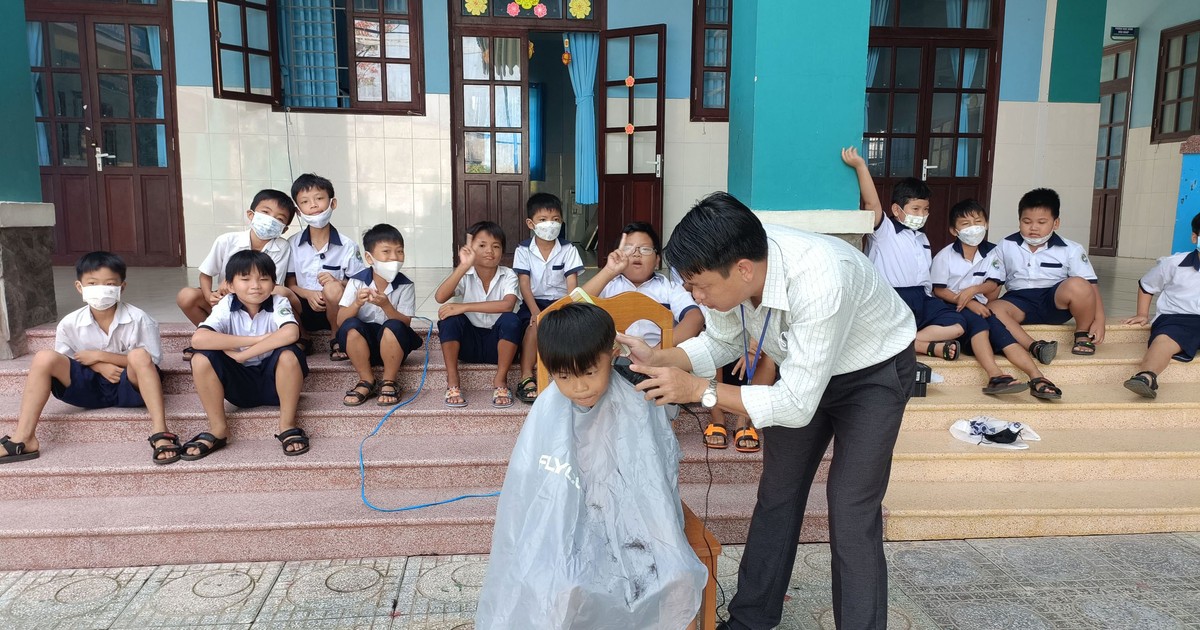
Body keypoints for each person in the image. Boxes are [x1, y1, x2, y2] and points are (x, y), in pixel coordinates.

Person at [622, 191, 916, 630]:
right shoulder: (734, 265)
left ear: (742, 270)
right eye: (689, 286)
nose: (697, 298)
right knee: (778, 494)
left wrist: (701, 390)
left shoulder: (820, 278)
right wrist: (664, 359)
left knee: (851, 511)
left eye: (701, 286)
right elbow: (720, 341)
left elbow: (796, 405)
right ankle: (749, 621)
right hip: (803, 369)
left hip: (872, 374)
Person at [476, 303, 706, 630]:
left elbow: (653, 471)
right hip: (570, 516)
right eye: (565, 376)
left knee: (675, 575)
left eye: (588, 372)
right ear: (549, 368)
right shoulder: (549, 407)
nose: (579, 387)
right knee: (562, 584)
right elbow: (536, 481)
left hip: (635, 515)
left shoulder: (635, 393)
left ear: (611, 354)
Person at [0, 252, 176, 465]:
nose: (101, 290)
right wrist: (100, 366)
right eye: (92, 283)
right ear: (79, 287)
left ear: (122, 287)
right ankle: (24, 437)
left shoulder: (140, 319)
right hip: (89, 389)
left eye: (109, 283)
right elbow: (65, 360)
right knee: (44, 357)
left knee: (140, 355)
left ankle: (160, 432)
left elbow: (152, 361)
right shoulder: (69, 323)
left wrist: (101, 356)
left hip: (130, 386)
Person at [842, 148, 967, 362]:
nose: (922, 215)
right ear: (897, 209)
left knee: (957, 326)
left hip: (922, 298)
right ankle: (926, 347)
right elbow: (872, 204)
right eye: (915, 209)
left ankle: (911, 344)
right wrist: (861, 166)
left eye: (925, 209)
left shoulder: (922, 239)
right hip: (893, 296)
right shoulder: (885, 231)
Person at [930, 199, 1062, 398]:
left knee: (1002, 332)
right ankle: (995, 376)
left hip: (982, 307)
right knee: (979, 324)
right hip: (953, 308)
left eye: (978, 222)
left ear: (986, 224)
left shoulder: (993, 252)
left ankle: (1037, 377)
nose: (973, 228)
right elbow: (939, 290)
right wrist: (969, 301)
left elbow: (993, 283)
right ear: (954, 230)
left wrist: (974, 291)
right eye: (965, 224)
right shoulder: (945, 256)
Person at [185, 250, 310, 459]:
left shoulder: (279, 301)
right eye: (245, 279)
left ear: (273, 283)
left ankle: (287, 426)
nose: (255, 285)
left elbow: (291, 332)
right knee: (200, 357)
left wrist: (243, 354)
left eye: (264, 279)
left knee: (289, 353)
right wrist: (257, 340)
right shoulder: (226, 304)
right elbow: (199, 339)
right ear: (231, 285)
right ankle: (218, 429)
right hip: (239, 387)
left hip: (276, 386)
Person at [987, 188, 1105, 365]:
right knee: (993, 308)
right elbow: (994, 282)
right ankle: (1035, 346)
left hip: (1055, 302)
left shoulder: (1071, 249)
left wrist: (1100, 320)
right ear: (1019, 221)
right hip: (1019, 302)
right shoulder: (1006, 245)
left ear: (1055, 223)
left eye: (1042, 222)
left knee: (1079, 284)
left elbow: (1091, 286)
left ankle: (1081, 334)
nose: (1033, 228)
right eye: (1027, 222)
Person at [176, 189, 297, 359]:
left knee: (282, 292)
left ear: (284, 229)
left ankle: (251, 342)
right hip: (224, 298)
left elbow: (274, 284)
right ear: (251, 214)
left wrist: (237, 288)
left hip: (258, 299)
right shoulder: (227, 240)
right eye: (265, 213)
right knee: (186, 296)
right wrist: (209, 295)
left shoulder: (282, 247)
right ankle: (216, 339)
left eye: (278, 219)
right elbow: (206, 274)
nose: (270, 221)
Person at [435, 221, 521, 408]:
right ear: (470, 249)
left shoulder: (509, 275)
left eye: (496, 246)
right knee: (449, 319)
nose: (490, 250)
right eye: (482, 245)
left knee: (511, 320)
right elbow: (440, 297)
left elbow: (507, 305)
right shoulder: (466, 275)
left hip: (499, 345)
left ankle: (500, 381)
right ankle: (452, 381)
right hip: (469, 345)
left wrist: (464, 307)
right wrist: (463, 267)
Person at [336, 224, 424, 406]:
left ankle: (389, 380)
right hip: (362, 346)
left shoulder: (405, 285)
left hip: (394, 346)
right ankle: (366, 380)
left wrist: (386, 306)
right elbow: (340, 320)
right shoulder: (357, 281)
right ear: (369, 257)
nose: (394, 257)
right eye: (386, 251)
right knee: (350, 326)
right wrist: (357, 303)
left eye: (399, 252)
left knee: (394, 325)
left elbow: (405, 323)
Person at [580, 222, 704, 348]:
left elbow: (695, 318)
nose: (637, 254)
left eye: (645, 249)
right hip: (611, 359)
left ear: (657, 261)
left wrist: (657, 353)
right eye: (628, 249)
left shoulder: (669, 289)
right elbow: (573, 307)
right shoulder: (607, 286)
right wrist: (608, 271)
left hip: (657, 359)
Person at [512, 192, 584, 404]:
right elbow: (524, 284)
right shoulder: (523, 250)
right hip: (533, 303)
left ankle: (567, 374)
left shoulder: (568, 249)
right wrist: (536, 312)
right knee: (534, 326)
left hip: (561, 303)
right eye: (543, 220)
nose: (549, 225)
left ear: (561, 222)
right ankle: (526, 375)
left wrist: (566, 307)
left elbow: (572, 285)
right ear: (530, 223)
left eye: (555, 220)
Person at [285, 173, 365, 361]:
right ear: (298, 211)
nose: (313, 205)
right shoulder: (291, 244)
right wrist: (308, 294)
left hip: (337, 308)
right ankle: (302, 335)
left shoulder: (348, 246)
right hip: (303, 308)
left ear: (332, 203)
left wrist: (338, 283)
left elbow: (359, 283)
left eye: (319, 199)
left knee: (333, 287)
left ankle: (336, 336)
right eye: (305, 202)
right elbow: (289, 284)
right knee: (280, 292)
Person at [1121, 212, 1200, 399]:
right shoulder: (1173, 264)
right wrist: (1142, 313)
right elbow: (1146, 285)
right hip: (1177, 319)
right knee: (1163, 341)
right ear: (1195, 237)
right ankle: (1146, 377)